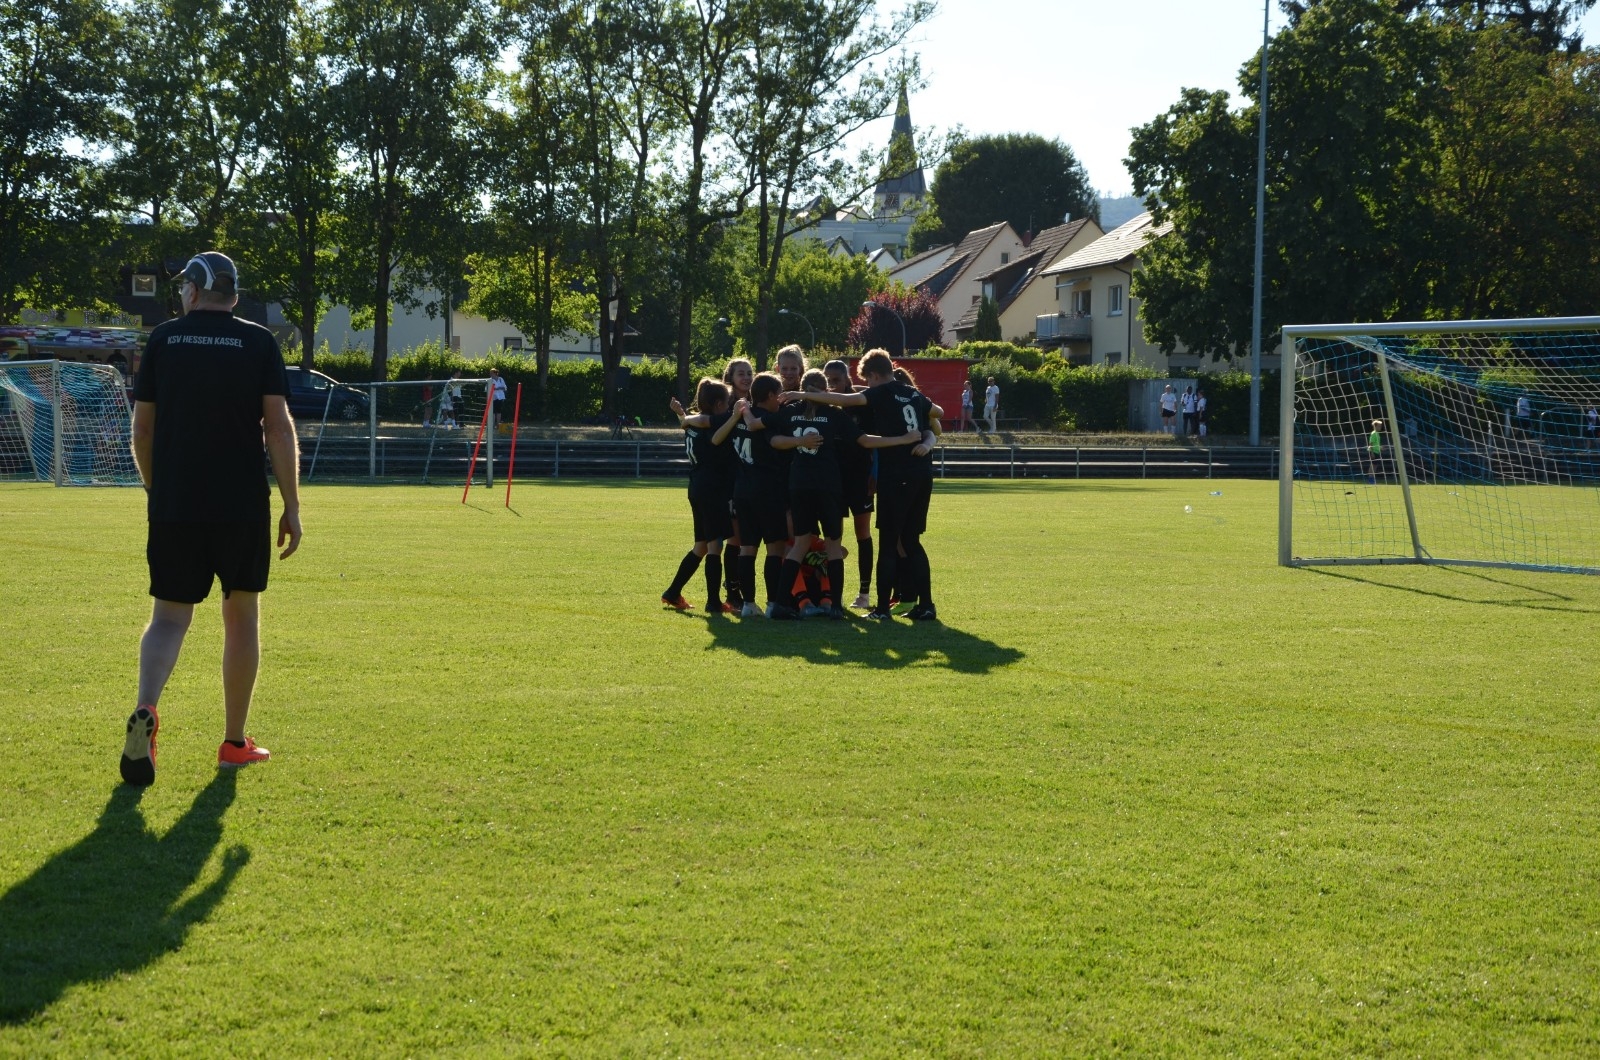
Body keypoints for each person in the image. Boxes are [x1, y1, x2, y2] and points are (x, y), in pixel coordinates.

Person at [121, 251, 302, 786]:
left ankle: (147, 707)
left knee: (168, 618)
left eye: (183, 286)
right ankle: (234, 743)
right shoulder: (258, 341)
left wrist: (156, 489)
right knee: (241, 617)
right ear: (234, 293)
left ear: (196, 290)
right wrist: (292, 505)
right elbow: (278, 428)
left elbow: (142, 432)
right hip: (240, 504)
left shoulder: (163, 340)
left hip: (176, 503)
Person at [788, 350, 941, 621]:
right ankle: (926, 604)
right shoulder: (913, 393)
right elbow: (937, 412)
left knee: (888, 542)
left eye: (868, 380)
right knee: (911, 540)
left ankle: (881, 609)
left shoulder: (881, 392)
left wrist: (802, 394)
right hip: (921, 473)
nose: (868, 385)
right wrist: (926, 437)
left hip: (897, 473)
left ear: (873, 375)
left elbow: (845, 399)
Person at [765, 368, 919, 619]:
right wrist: (902, 439)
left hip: (799, 484)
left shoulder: (789, 411)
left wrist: (746, 415)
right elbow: (865, 440)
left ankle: (781, 603)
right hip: (828, 485)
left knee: (800, 544)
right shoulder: (833, 413)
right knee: (833, 545)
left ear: (803, 388)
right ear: (825, 391)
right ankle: (835, 606)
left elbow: (772, 438)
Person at [662, 378, 738, 612]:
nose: (728, 405)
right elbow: (715, 440)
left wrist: (682, 415)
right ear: (718, 404)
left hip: (696, 487)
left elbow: (689, 425)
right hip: (712, 489)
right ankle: (713, 602)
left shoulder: (691, 424)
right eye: (727, 402)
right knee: (715, 546)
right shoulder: (712, 425)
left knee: (701, 546)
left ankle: (672, 592)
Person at [824, 359, 877, 609]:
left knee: (862, 533)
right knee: (833, 537)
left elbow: (873, 442)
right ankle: (832, 595)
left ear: (847, 379)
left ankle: (864, 594)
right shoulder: (822, 408)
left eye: (836, 380)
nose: (832, 385)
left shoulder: (861, 405)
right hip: (832, 480)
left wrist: (874, 473)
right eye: (828, 381)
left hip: (860, 478)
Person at [1367, 418, 1383, 484]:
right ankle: (1370, 479)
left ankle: (1372, 479)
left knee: (1375, 466)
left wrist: (1380, 447)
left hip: (1377, 451)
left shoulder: (1377, 433)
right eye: (1379, 426)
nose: (1380, 427)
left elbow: (1376, 443)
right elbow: (1371, 443)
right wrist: (1372, 453)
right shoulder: (1374, 433)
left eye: (1380, 426)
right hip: (1373, 452)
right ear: (1375, 426)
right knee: (1373, 466)